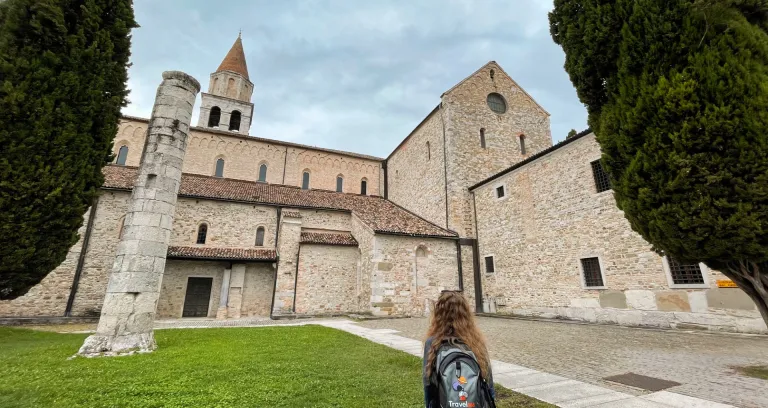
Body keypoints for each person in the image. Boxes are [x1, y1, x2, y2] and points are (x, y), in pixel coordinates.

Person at [422, 290, 495, 408]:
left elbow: (428, 382)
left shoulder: (432, 342)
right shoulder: (476, 340)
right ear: (466, 313)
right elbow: (488, 381)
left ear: (439, 313)